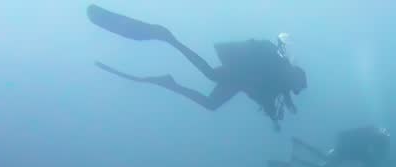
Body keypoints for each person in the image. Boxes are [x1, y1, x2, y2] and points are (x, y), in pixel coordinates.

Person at [85, 4, 307, 132]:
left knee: (210, 104)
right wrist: (275, 115)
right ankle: (169, 38)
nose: (296, 90)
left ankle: (169, 82)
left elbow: (271, 97)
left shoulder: (282, 84)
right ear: (294, 79)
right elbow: (268, 91)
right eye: (297, 87)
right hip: (239, 74)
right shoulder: (279, 75)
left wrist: (275, 119)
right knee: (210, 75)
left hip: (239, 80)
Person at [268, 125, 391, 167]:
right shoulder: (367, 140)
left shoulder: (368, 135)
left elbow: (365, 157)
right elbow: (365, 157)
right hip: (344, 150)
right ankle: (298, 151)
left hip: (344, 149)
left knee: (324, 161)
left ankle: (299, 148)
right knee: (324, 163)